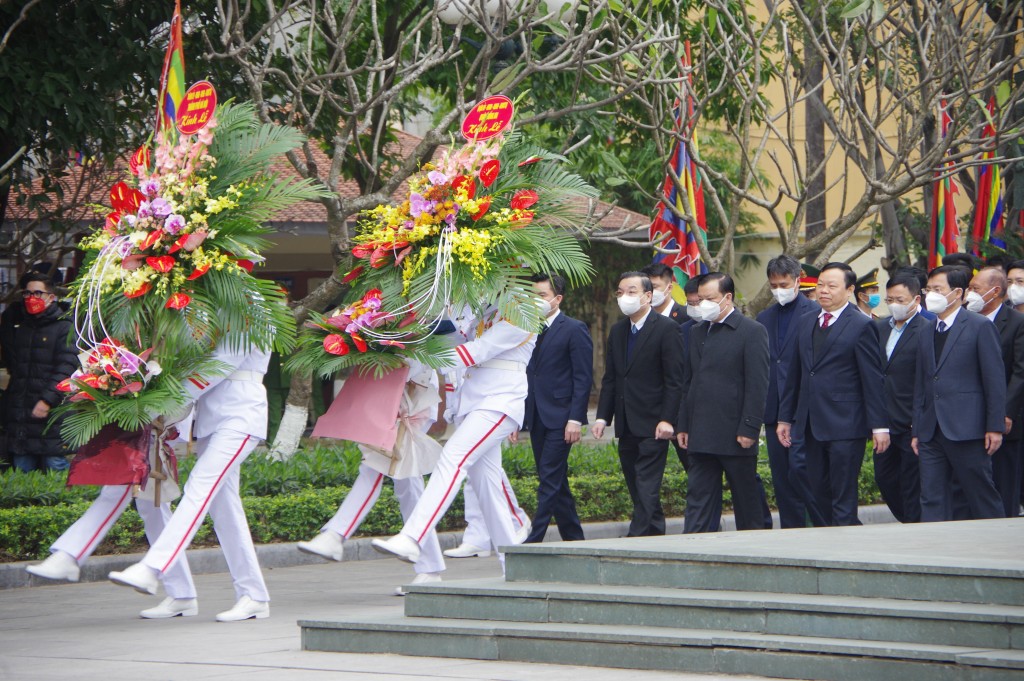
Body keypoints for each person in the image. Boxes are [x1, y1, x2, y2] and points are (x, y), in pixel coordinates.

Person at [107, 341, 275, 622]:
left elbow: (214, 367)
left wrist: (158, 405)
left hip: (242, 414)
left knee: (200, 486)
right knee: (225, 507)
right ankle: (253, 595)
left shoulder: (251, 306)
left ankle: (153, 567)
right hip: (212, 417)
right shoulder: (215, 310)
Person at [371, 303, 536, 570]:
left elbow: (476, 351)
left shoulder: (525, 310)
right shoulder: (484, 309)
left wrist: (423, 354)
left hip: (499, 403)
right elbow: (453, 338)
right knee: (487, 487)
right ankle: (514, 565)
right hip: (474, 405)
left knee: (453, 459)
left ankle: (413, 535)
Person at [297, 360, 447, 595]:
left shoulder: (425, 323)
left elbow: (428, 349)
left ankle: (336, 534)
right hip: (386, 390)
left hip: (412, 396)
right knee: (407, 482)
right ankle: (429, 566)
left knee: (374, 468)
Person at [26, 422, 199, 618]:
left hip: (153, 421)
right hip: (139, 421)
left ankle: (70, 553)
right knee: (153, 509)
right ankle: (182, 594)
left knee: (120, 489)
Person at [777, 262, 889, 527]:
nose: (824, 291)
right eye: (821, 285)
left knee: (842, 490)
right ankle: (832, 532)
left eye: (832, 286)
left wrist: (880, 425)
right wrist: (785, 418)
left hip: (846, 423)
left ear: (849, 290)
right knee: (811, 484)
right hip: (809, 422)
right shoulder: (806, 322)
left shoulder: (861, 325)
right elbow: (796, 373)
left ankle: (844, 543)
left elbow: (872, 379)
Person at [591, 271, 684, 536]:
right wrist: (602, 417)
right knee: (634, 480)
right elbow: (611, 378)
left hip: (654, 420)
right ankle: (654, 530)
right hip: (626, 421)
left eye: (632, 292)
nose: (625, 297)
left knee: (646, 481)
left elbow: (675, 379)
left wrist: (668, 419)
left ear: (648, 296)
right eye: (620, 293)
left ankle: (638, 533)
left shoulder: (667, 329)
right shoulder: (619, 331)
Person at [911, 265, 1006, 522]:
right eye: (928, 289)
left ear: (958, 293)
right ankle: (934, 552)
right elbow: (922, 383)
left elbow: (994, 381)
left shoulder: (979, 326)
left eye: (937, 289)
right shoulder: (926, 330)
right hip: (931, 429)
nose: (931, 294)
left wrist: (994, 426)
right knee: (931, 495)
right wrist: (917, 429)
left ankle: (997, 543)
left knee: (979, 492)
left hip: (968, 428)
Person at [677, 273, 769, 533]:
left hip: (735, 433)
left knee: (746, 499)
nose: (703, 304)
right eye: (700, 299)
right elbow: (689, 382)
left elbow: (757, 384)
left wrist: (749, 428)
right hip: (701, 432)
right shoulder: (697, 332)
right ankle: (694, 551)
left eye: (710, 299)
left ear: (727, 298)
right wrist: (683, 424)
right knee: (698, 500)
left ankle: (754, 552)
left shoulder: (751, 331)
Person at [513, 273, 592, 543]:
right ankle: (574, 537)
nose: (536, 301)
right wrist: (518, 418)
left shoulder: (574, 328)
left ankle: (534, 538)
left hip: (561, 416)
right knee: (556, 479)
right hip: (535, 415)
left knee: (548, 476)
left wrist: (575, 419)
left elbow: (583, 378)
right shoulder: (525, 328)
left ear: (557, 299)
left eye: (542, 296)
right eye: (532, 296)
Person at [756, 255, 819, 528]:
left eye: (784, 283)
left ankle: (821, 525)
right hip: (773, 408)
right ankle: (791, 531)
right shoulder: (764, 317)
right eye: (773, 285)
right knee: (782, 478)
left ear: (798, 279)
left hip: (804, 411)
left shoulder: (815, 312)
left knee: (803, 473)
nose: (779, 290)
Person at [0, 274, 77, 472]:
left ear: (51, 297)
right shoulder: (23, 327)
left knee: (55, 464)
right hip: (21, 413)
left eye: (37, 293)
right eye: (27, 293)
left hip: (51, 410)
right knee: (22, 468)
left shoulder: (64, 327)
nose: (31, 297)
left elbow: (66, 367)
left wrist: (46, 400)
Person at [965, 266, 1024, 518]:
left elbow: (1020, 372)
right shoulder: (966, 320)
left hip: (1006, 419)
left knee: (1004, 482)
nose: (970, 294)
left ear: (995, 291)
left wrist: (1004, 412)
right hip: (970, 416)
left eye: (976, 289)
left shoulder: (1016, 322)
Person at [875, 273, 927, 523]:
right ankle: (907, 520)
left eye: (900, 299)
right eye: (890, 299)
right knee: (884, 478)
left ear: (916, 299)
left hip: (910, 421)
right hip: (883, 421)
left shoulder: (926, 330)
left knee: (911, 481)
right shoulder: (878, 328)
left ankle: (914, 527)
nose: (894, 304)